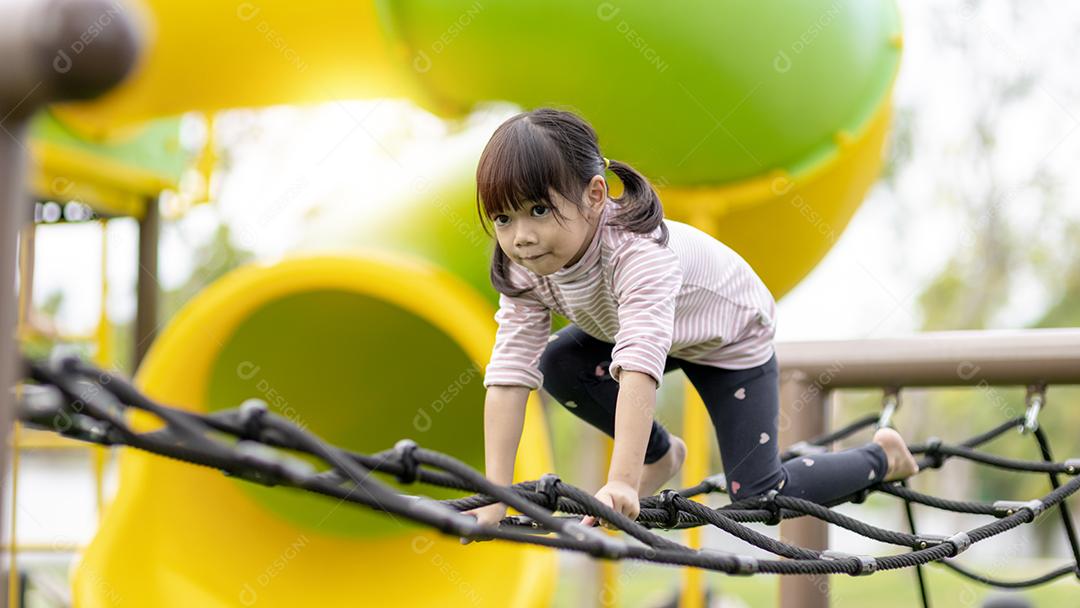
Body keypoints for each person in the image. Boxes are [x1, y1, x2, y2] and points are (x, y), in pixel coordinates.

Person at [465, 108, 918, 530]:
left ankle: (881, 457)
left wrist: (620, 480)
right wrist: (495, 493)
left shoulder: (638, 255)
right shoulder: (522, 266)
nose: (521, 237)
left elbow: (639, 366)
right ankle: (658, 456)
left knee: (759, 497)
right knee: (557, 363)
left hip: (728, 337)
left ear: (595, 195)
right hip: (640, 330)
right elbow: (508, 375)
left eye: (539, 210)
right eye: (503, 218)